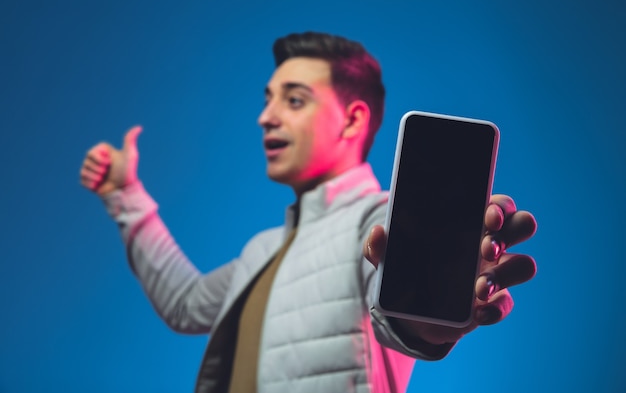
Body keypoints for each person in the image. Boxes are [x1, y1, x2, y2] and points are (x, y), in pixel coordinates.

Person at [80, 32, 537, 393]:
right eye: (267, 99)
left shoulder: (376, 218)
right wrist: (125, 193)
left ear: (353, 119)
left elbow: (395, 306)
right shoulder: (262, 251)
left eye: (293, 99)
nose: (266, 116)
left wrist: (424, 322)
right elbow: (185, 304)